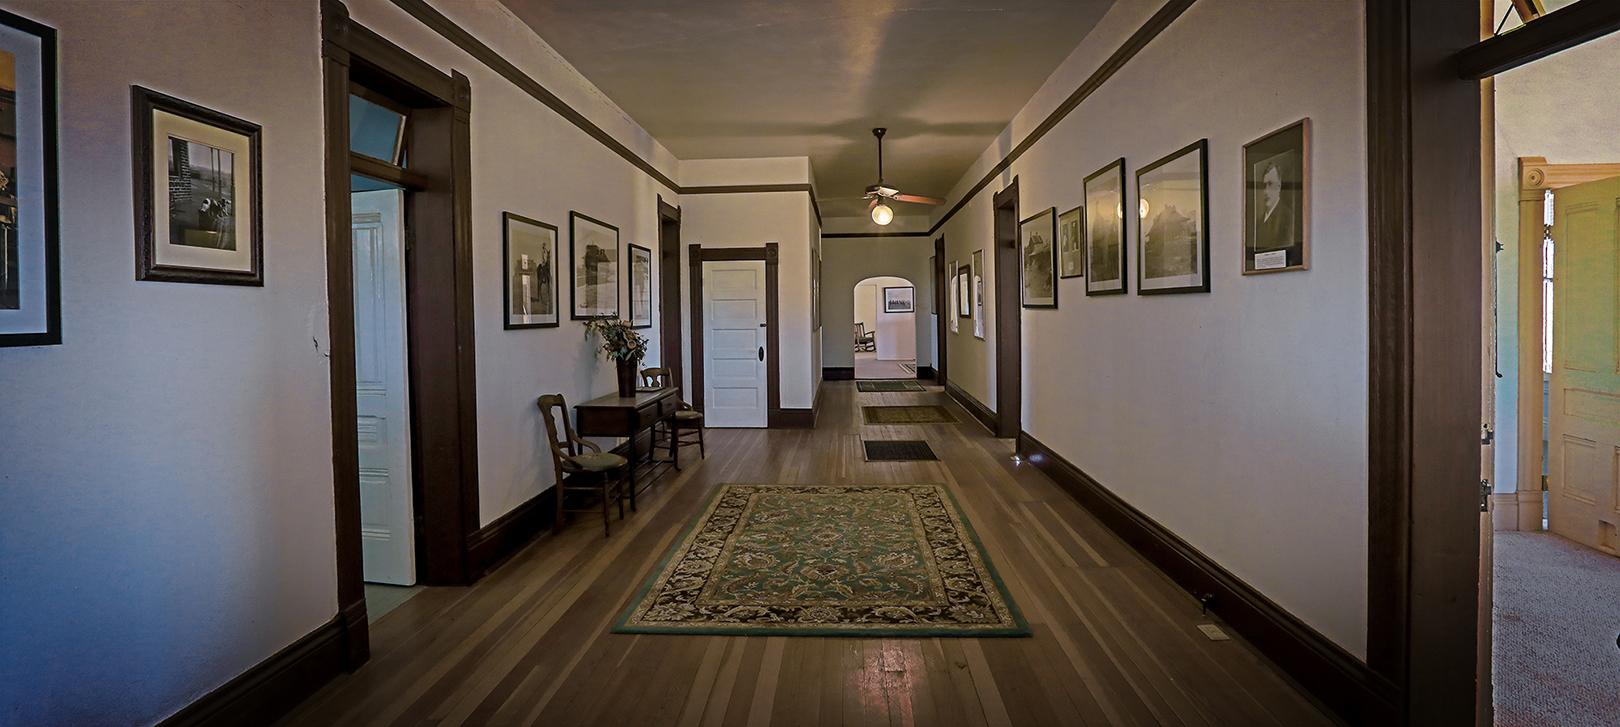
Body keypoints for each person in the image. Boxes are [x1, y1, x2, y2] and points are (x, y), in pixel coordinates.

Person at [1254, 158, 1296, 255]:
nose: (1266, 191)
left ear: (1279, 185)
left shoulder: (1288, 218)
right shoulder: (1259, 223)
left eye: (1270, 184)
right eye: (1264, 185)